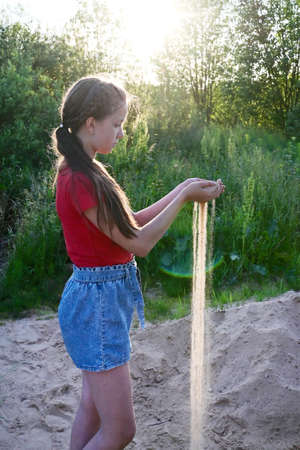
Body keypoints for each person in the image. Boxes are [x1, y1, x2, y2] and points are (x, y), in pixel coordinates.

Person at [52, 75, 225, 450]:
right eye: (117, 124)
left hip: (95, 300)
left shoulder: (86, 171)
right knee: (120, 431)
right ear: (90, 123)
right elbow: (140, 242)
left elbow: (130, 224)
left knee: (92, 409)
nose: (122, 132)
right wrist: (182, 199)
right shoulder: (81, 179)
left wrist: (182, 188)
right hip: (96, 306)